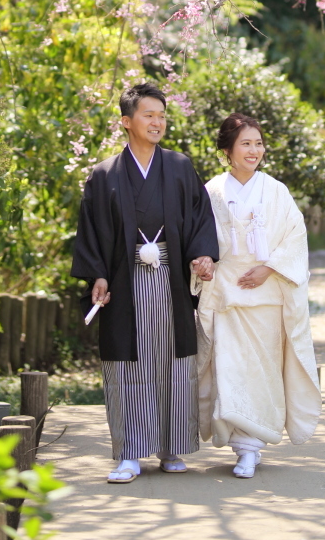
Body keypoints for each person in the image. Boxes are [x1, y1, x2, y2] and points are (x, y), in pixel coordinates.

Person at [71, 82, 219, 483]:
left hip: (170, 278)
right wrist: (98, 274)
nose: (157, 122)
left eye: (161, 115)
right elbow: (92, 231)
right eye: (148, 115)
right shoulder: (103, 176)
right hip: (125, 279)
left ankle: (172, 446)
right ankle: (130, 452)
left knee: (174, 359)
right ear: (126, 121)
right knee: (128, 363)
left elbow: (200, 218)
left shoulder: (180, 167)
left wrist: (203, 255)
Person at [197, 112, 321, 477]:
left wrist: (268, 269)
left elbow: (295, 238)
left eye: (259, 143)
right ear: (227, 150)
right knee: (230, 370)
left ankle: (251, 447)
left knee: (262, 372)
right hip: (226, 294)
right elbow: (200, 238)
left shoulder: (276, 191)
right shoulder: (212, 191)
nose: (254, 150)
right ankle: (242, 446)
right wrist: (202, 263)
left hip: (266, 295)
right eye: (246, 144)